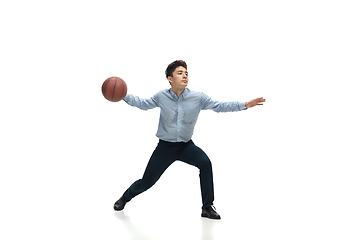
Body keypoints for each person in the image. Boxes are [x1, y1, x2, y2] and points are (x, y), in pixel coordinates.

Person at [114, 60, 265, 220]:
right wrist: (122, 94)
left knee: (205, 163)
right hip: (165, 148)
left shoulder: (198, 97)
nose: (185, 75)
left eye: (186, 73)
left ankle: (207, 207)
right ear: (169, 78)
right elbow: (143, 104)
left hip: (186, 146)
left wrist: (245, 105)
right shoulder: (161, 96)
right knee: (146, 182)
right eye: (180, 73)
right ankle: (125, 198)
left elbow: (220, 106)